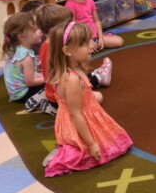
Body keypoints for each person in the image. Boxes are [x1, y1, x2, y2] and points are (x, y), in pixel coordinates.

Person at [44, 21, 132, 177]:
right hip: (77, 122)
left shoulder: (76, 67)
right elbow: (75, 115)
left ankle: (70, 148)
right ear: (68, 51)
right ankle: (63, 154)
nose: (92, 46)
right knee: (94, 154)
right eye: (85, 44)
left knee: (119, 142)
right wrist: (91, 144)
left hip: (86, 115)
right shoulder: (71, 79)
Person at [34, 4, 111, 114]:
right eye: (68, 25)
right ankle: (98, 77)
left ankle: (98, 76)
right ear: (57, 29)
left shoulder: (46, 46)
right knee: (98, 96)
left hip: (55, 93)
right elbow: (75, 71)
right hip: (61, 97)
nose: (70, 27)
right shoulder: (57, 48)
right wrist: (86, 52)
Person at [58, 0, 124, 53]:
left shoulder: (89, 0)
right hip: (82, 40)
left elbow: (96, 21)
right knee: (85, 51)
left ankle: (96, 43)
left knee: (119, 41)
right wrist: (87, 41)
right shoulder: (70, 5)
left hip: (95, 37)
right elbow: (74, 29)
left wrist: (100, 37)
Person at [2, 12, 45, 102]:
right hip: (23, 95)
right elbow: (30, 82)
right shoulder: (26, 57)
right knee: (51, 85)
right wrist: (47, 79)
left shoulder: (15, 49)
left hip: (15, 93)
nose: (39, 31)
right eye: (35, 30)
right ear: (21, 37)